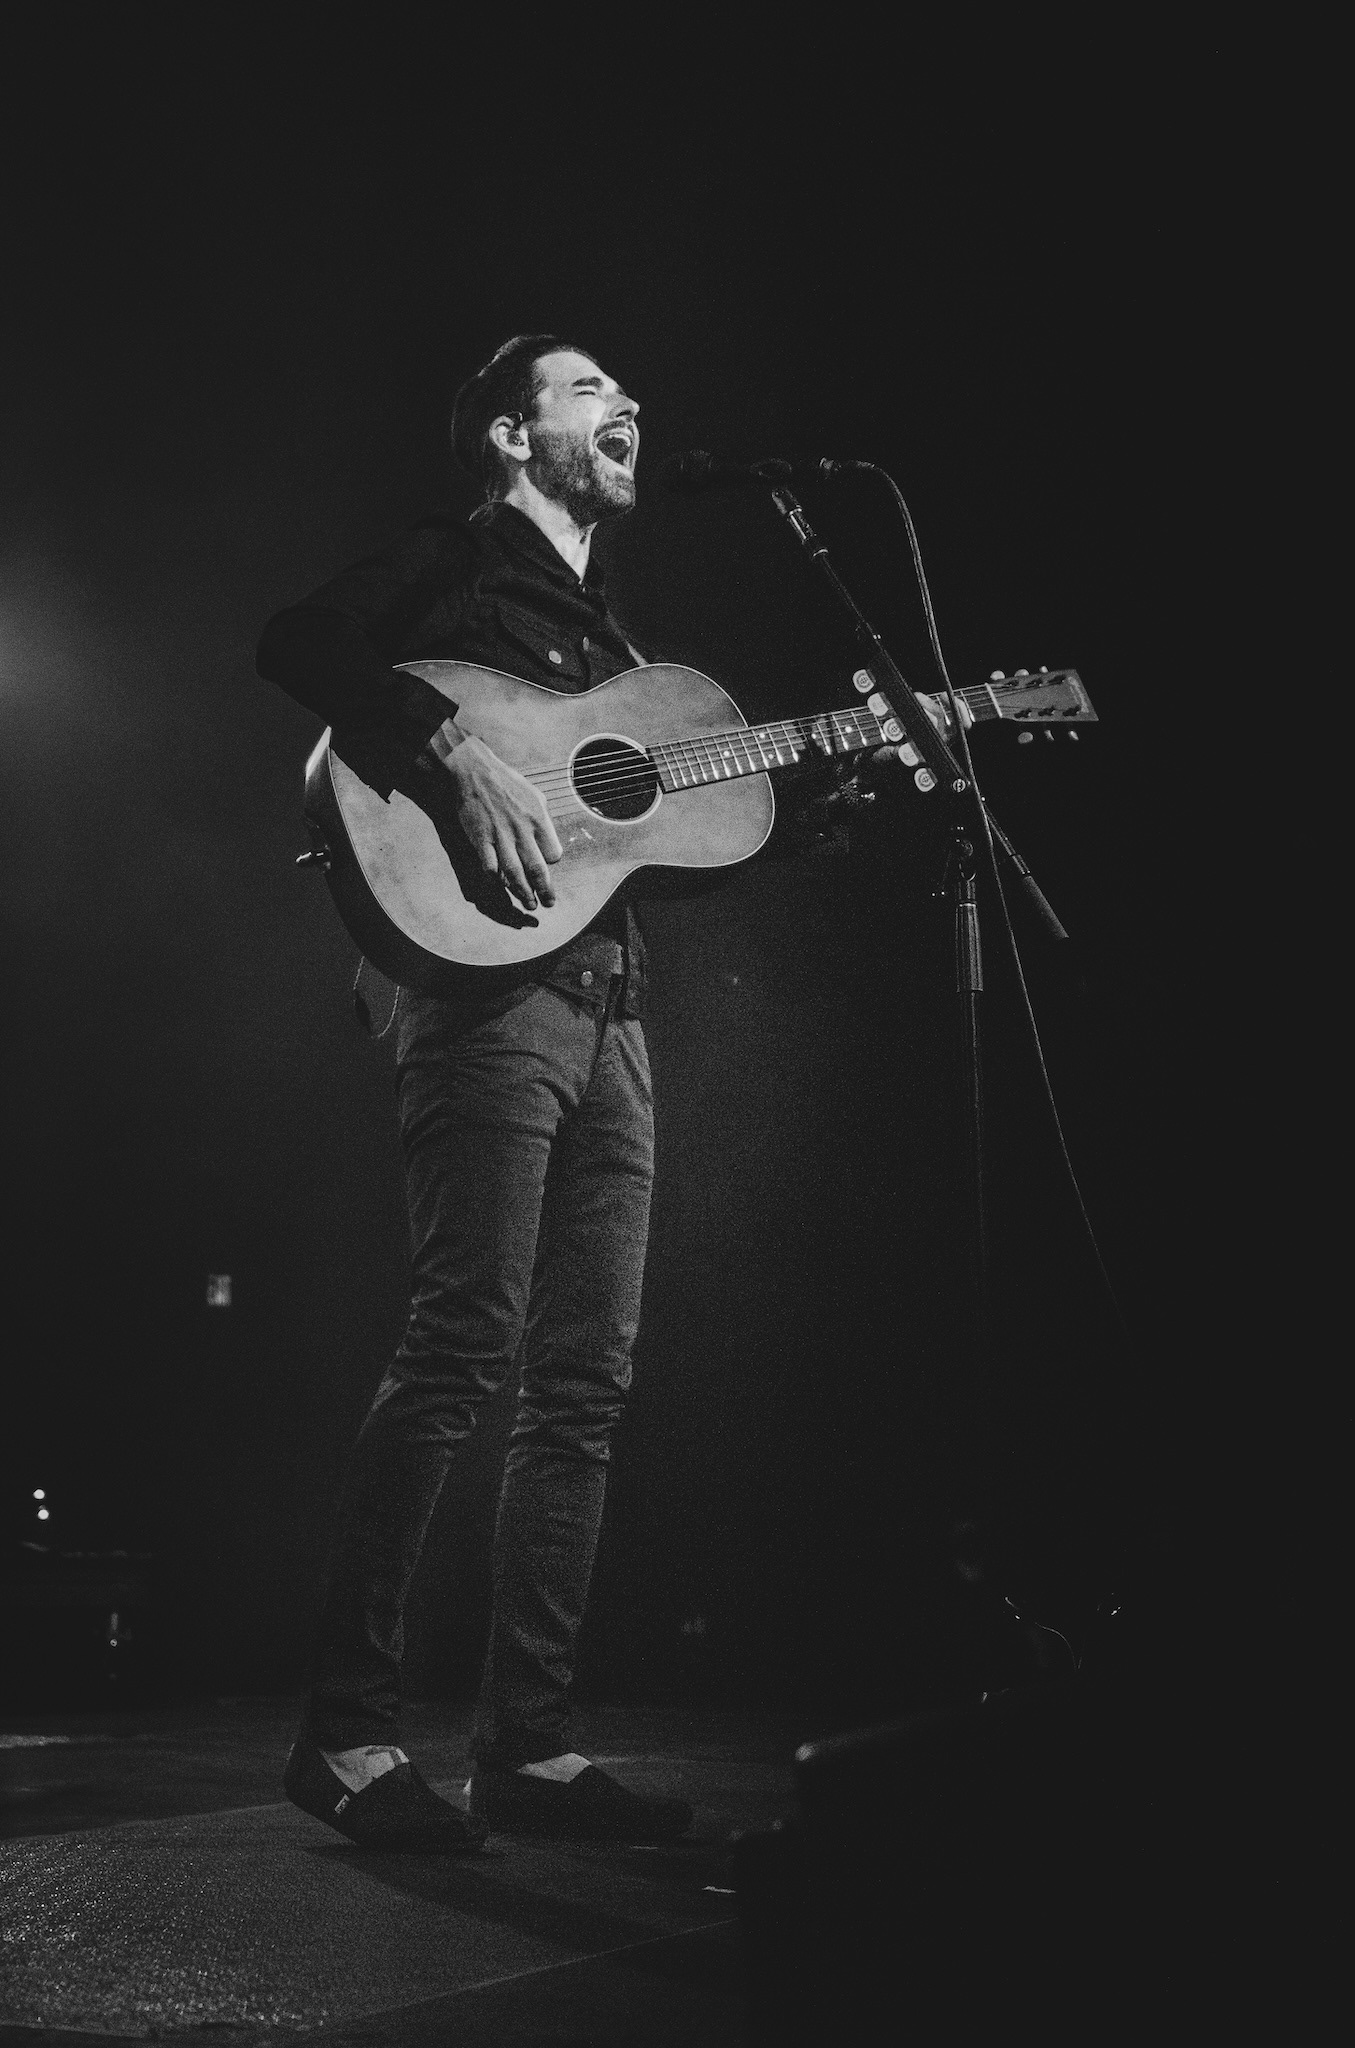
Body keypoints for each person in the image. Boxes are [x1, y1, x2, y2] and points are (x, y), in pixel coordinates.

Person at [259, 335, 837, 1853]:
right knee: (462, 1346)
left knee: (583, 1388)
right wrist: (452, 749)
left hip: (613, 1010)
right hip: (486, 1003)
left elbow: (658, 832)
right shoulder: (451, 563)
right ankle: (350, 1736)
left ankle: (530, 1746)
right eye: (590, 392)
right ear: (516, 435)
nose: (627, 404)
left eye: (625, 391)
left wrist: (834, 785)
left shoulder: (611, 635)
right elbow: (301, 641)